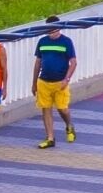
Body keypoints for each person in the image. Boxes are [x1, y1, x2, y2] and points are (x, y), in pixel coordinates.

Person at [32, 19, 78, 148]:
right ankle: (50, 138)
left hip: (60, 82)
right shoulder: (42, 41)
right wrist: (34, 82)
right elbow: (37, 63)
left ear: (59, 28)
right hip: (44, 81)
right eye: (49, 29)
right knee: (46, 109)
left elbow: (73, 62)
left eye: (54, 29)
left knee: (62, 109)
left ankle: (69, 125)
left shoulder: (66, 42)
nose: (51, 32)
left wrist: (67, 79)